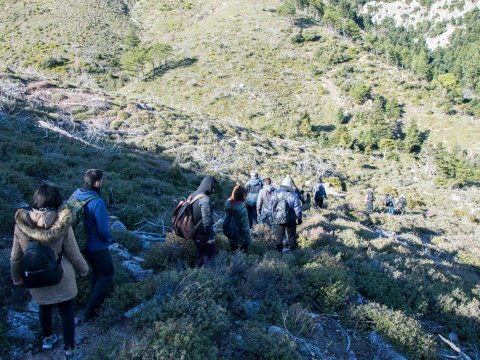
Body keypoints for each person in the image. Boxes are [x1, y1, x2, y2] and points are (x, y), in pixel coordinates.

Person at [11, 184, 88, 359]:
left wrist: (16, 277)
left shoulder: (21, 225)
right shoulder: (63, 224)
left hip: (35, 276)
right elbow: (74, 254)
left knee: (44, 308)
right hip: (61, 275)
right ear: (57, 202)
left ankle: (48, 339)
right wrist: (84, 270)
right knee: (67, 311)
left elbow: (15, 257)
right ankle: (70, 351)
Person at [70, 169, 113, 321]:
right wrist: (108, 239)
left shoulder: (76, 194)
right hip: (97, 246)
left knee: (97, 272)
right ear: (97, 182)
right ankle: (90, 312)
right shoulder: (97, 201)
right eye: (101, 181)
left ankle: (90, 303)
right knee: (107, 274)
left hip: (81, 244)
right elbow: (103, 229)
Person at [189, 176, 218, 267]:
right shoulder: (204, 199)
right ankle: (202, 276)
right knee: (209, 255)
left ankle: (193, 273)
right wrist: (211, 236)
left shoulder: (193, 194)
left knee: (200, 254)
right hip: (203, 234)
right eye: (213, 187)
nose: (213, 190)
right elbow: (206, 221)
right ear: (209, 186)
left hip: (193, 231)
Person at [270, 176, 302, 252]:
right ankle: (293, 251)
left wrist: (272, 216)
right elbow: (297, 208)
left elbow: (270, 205)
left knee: (279, 236)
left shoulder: (275, 193)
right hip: (290, 218)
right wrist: (299, 217)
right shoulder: (293, 195)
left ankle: (278, 251)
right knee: (291, 235)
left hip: (278, 217)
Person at [224, 184, 253, 252]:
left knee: (233, 251)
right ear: (243, 196)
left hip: (230, 233)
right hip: (240, 237)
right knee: (242, 255)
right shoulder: (242, 210)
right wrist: (249, 241)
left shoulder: (228, 204)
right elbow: (245, 228)